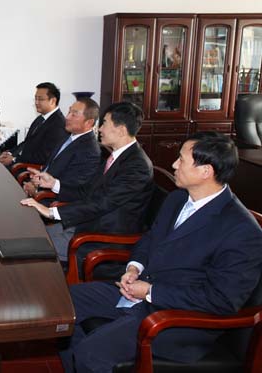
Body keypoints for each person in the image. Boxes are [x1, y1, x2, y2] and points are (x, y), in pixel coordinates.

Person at [60, 132, 262, 373]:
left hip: (177, 320)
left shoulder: (242, 230)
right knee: (65, 305)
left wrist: (150, 291)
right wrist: (134, 268)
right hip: (140, 293)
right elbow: (150, 239)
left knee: (90, 353)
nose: (174, 164)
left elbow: (222, 300)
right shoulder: (177, 199)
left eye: (181, 160)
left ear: (205, 171)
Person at [22, 102, 153, 261]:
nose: (100, 129)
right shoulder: (117, 156)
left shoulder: (137, 166)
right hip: (84, 224)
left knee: (29, 248)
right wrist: (54, 183)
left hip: (102, 238)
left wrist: (51, 212)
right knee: (28, 235)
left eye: (104, 123)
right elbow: (87, 191)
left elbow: (103, 203)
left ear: (121, 130)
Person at [23, 97, 101, 198]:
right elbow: (50, 167)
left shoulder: (89, 151)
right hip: (41, 189)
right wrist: (35, 181)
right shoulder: (67, 136)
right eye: (69, 112)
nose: (67, 117)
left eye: (74, 114)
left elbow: (73, 190)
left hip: (51, 199)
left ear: (89, 122)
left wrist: (37, 191)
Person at [0, 82, 67, 168]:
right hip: (22, 161)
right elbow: (26, 143)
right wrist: (9, 153)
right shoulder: (40, 118)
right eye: (35, 99)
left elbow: (44, 157)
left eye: (40, 99)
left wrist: (14, 159)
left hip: (32, 169)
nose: (36, 102)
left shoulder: (58, 124)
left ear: (53, 101)